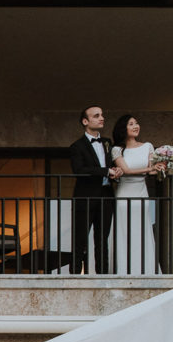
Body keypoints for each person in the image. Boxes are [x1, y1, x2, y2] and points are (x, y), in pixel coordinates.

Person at [70, 106, 122, 274]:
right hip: (85, 198)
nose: (102, 118)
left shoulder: (107, 143)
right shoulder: (77, 146)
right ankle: (75, 276)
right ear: (85, 121)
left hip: (106, 196)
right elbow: (79, 170)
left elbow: (112, 166)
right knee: (80, 240)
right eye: (96, 116)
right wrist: (105, 171)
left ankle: (103, 276)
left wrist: (117, 172)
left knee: (102, 240)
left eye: (102, 115)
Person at [109, 114, 163, 274]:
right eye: (131, 124)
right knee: (124, 231)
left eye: (137, 123)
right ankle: (124, 269)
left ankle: (145, 269)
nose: (136, 126)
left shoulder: (148, 146)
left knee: (142, 230)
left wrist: (161, 166)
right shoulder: (117, 149)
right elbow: (125, 171)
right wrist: (149, 169)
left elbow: (153, 169)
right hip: (124, 194)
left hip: (141, 193)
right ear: (123, 129)